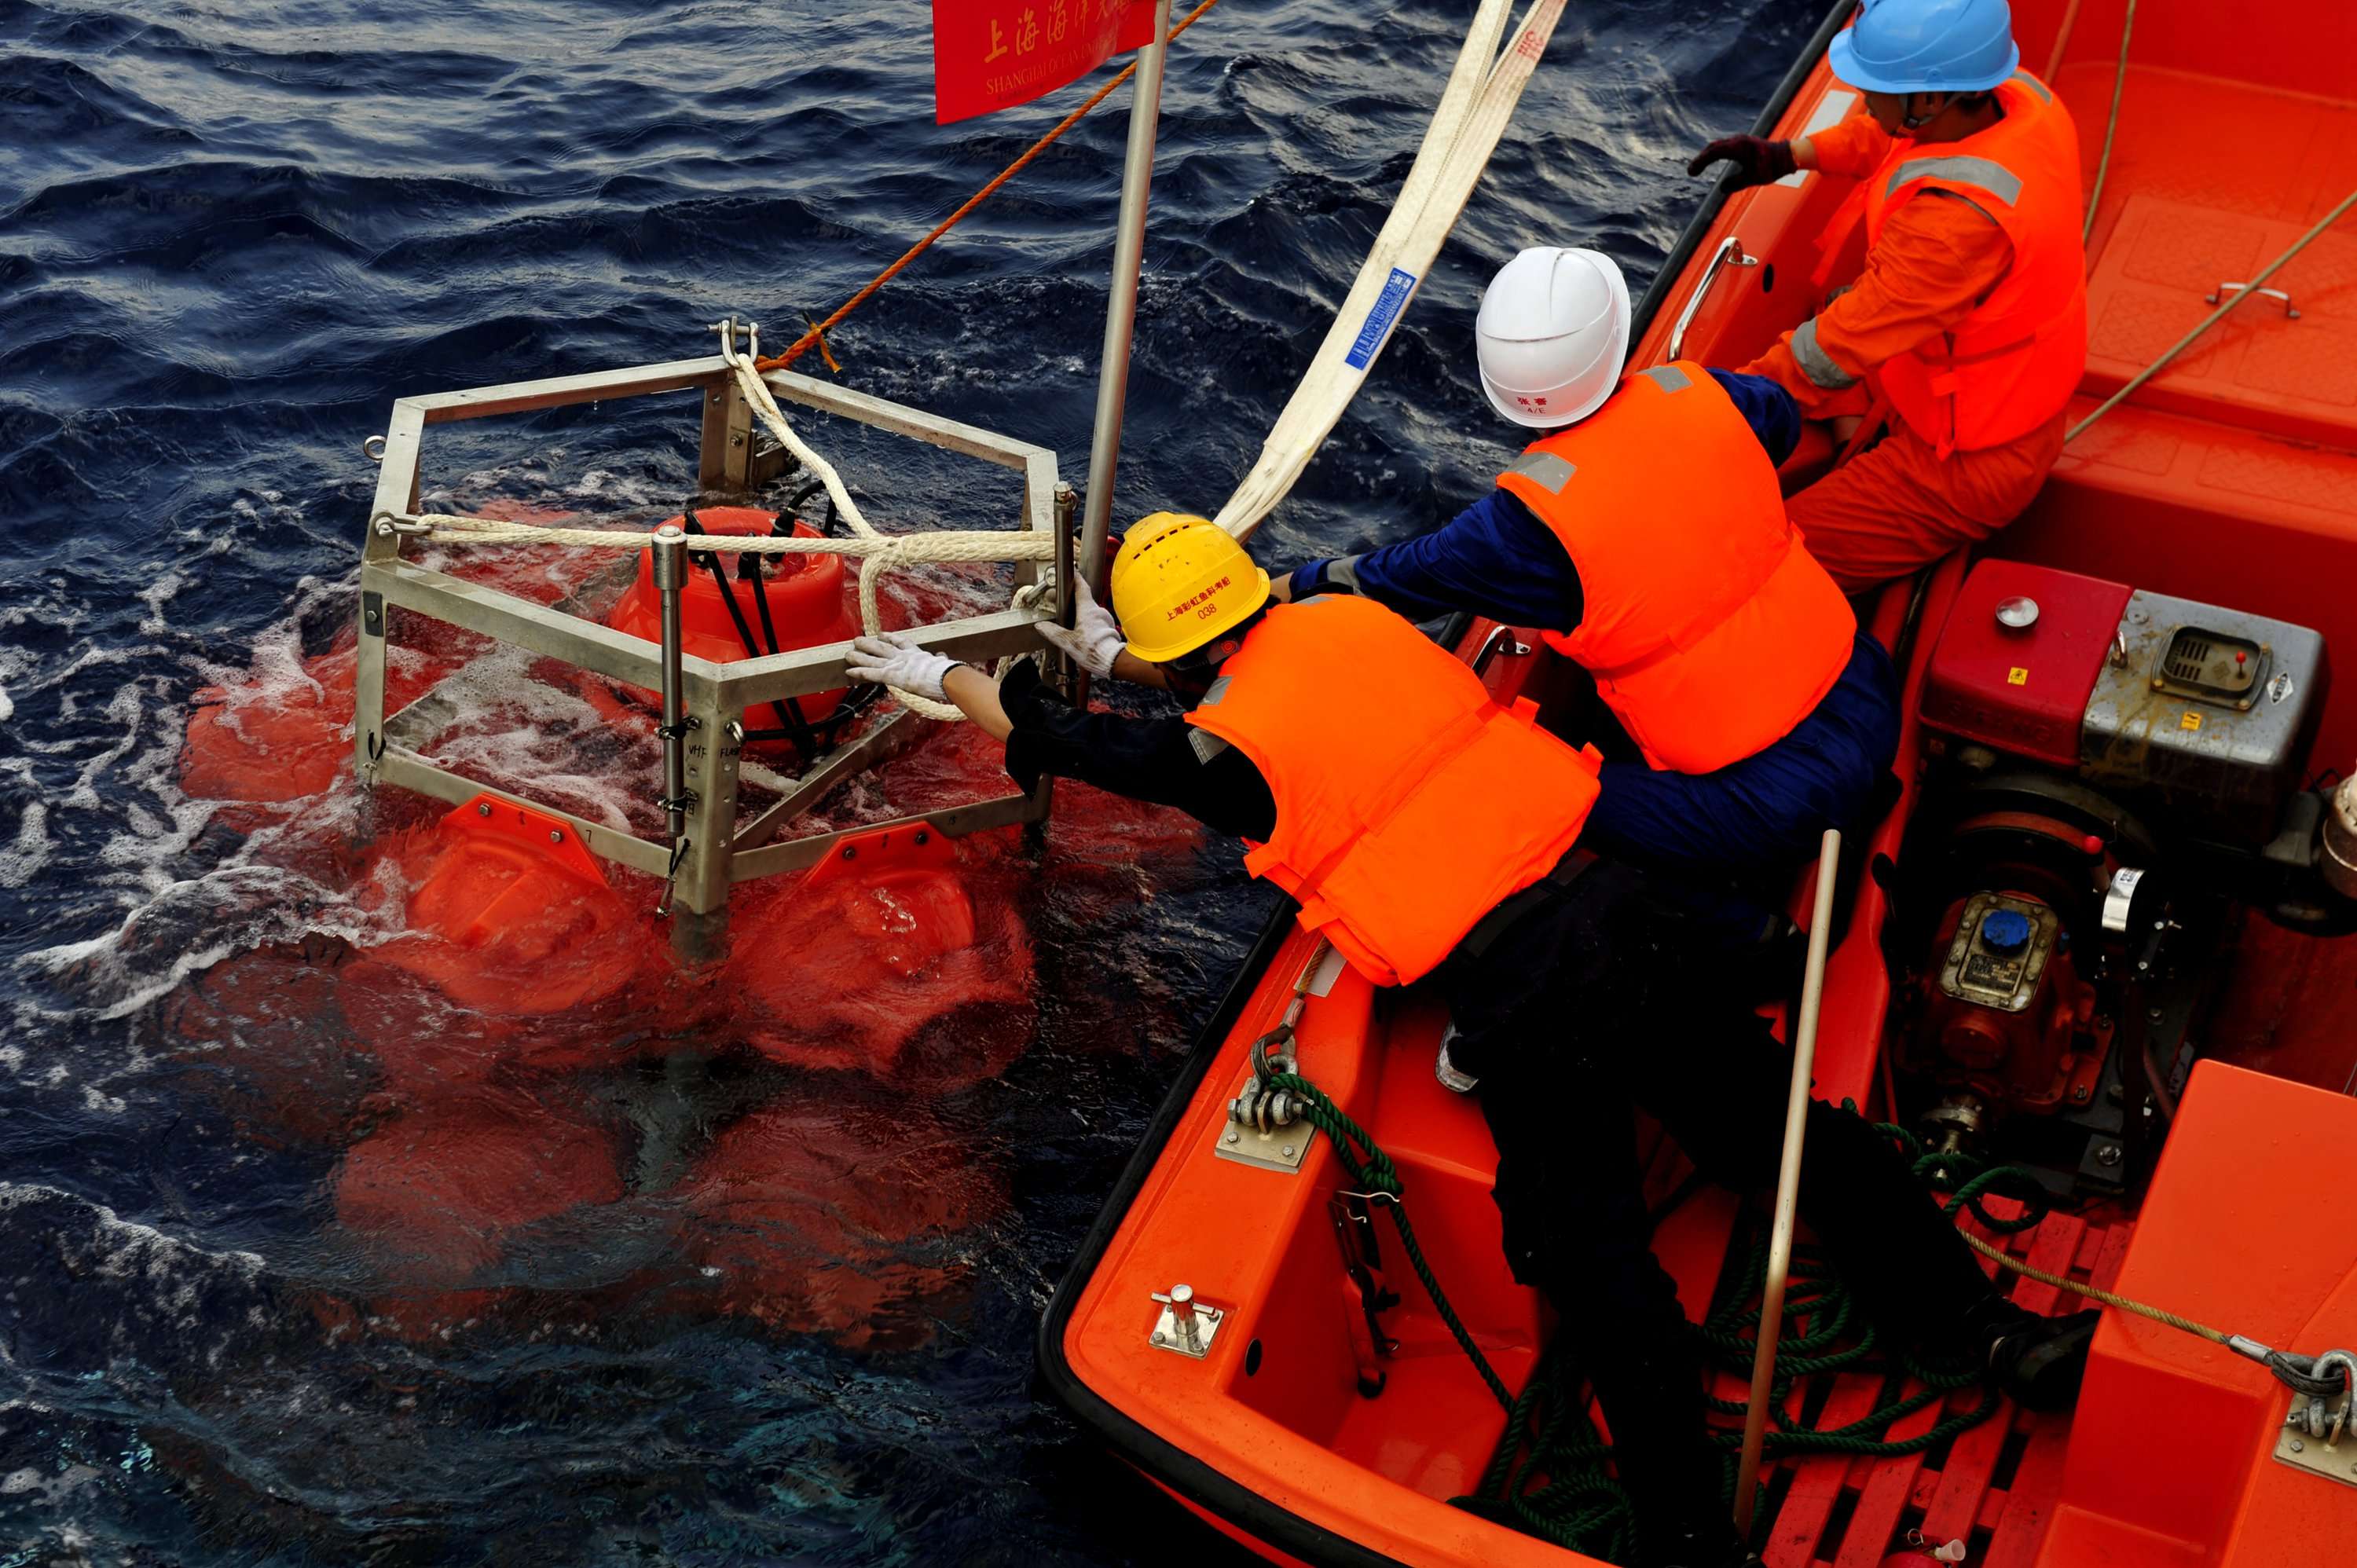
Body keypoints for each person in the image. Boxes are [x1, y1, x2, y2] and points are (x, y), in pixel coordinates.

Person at [843, 515, 2097, 1568]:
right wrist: (1125, 654)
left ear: (1174, 660)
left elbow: (1085, 741)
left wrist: (944, 679)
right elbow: (1236, 686)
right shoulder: (1356, 627)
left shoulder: (1234, 754)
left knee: (1598, 1263)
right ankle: (1990, 1331)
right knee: (1787, 1137)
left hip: (1534, 992)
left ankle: (1687, 1542)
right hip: (1629, 903)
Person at [1281, 244, 1893, 911]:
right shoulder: (1708, 392)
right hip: (1868, 693)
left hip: (1762, 808)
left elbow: (1383, 579)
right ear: (1616, 342)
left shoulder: (1517, 530)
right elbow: (1776, 417)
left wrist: (1277, 590)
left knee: (1512, 777)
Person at [1688, 0, 2088, 592]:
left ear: (1929, 102)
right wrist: (1788, 156)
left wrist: (1712, 416)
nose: (1864, 99)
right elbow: (1886, 138)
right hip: (1955, 387)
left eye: (1876, 88)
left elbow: (1829, 354)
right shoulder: (2010, 97)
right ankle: (1859, 439)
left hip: (1961, 463)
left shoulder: (1953, 230)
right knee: (1841, 306)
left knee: (1758, 569)